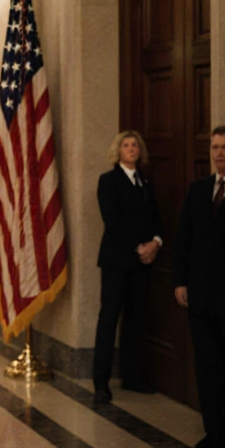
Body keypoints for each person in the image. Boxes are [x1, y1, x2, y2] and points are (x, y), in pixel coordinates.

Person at [174, 125, 225, 448]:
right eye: (215, 147)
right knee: (209, 373)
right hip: (201, 299)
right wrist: (180, 281)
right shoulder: (198, 189)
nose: (218, 153)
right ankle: (217, 440)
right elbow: (184, 239)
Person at [92, 130, 162, 403]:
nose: (131, 149)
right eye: (126, 145)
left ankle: (133, 378)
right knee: (109, 319)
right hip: (117, 261)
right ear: (118, 151)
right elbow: (113, 220)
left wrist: (155, 243)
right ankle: (101, 381)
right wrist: (139, 247)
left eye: (135, 145)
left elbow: (156, 217)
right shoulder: (108, 181)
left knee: (136, 319)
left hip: (143, 263)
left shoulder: (145, 181)